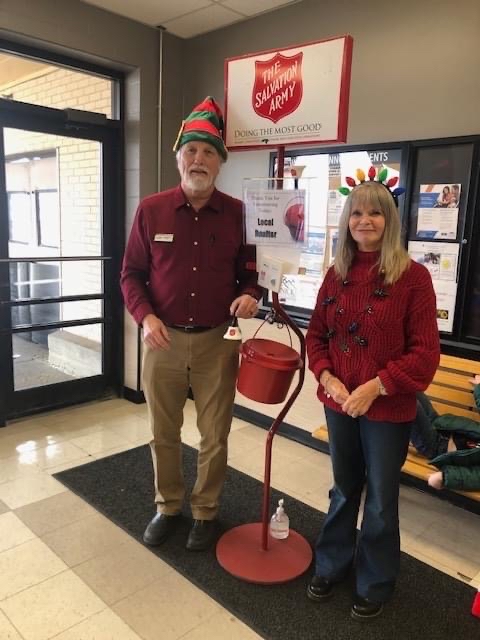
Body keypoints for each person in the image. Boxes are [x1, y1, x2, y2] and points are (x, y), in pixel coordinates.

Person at [120, 96, 262, 552]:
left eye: (208, 152)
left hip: (218, 341)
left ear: (220, 162)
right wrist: (145, 317)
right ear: (179, 157)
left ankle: (205, 511)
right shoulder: (151, 210)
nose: (199, 159)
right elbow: (130, 275)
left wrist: (251, 294)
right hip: (161, 340)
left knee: (214, 435)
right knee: (162, 432)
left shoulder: (240, 214)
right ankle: (168, 506)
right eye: (191, 151)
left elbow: (252, 274)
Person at [305, 170, 440, 621]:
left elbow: (425, 356)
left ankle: (375, 581)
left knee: (381, 498)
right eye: (357, 213)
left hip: (388, 410)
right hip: (339, 403)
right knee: (344, 488)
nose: (365, 221)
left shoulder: (414, 278)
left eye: (375, 213)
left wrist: (376, 386)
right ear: (347, 220)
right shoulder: (336, 274)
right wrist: (326, 377)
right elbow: (317, 336)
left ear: (390, 220)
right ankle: (331, 563)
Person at [411, 378, 480, 491]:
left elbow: (472, 477)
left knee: (410, 404)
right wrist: (479, 388)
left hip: (436, 447)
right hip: (440, 424)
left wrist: (445, 477)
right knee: (410, 388)